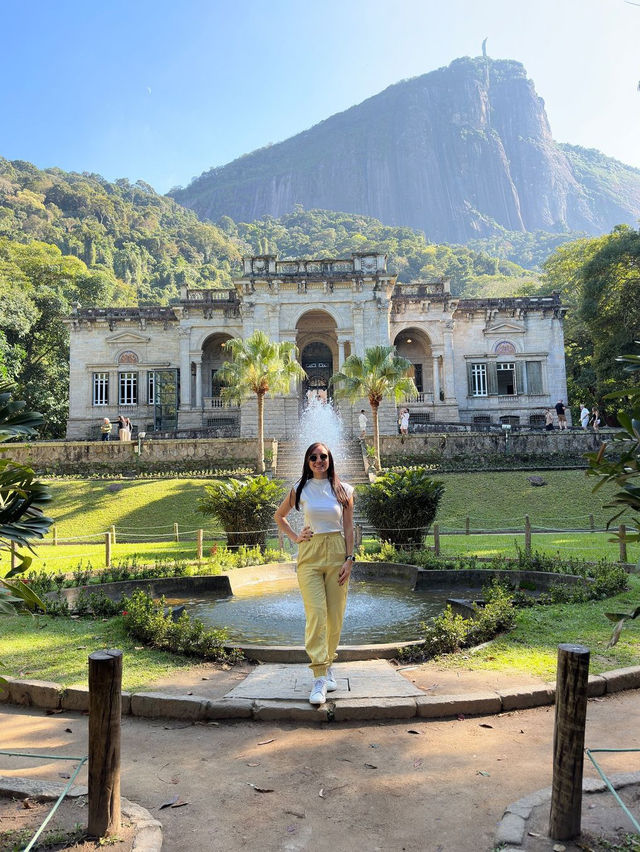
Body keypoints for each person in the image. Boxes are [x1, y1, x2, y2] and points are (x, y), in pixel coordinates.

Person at [274, 442, 355, 706]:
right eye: (313, 457)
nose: (319, 460)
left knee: (334, 616)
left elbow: (349, 528)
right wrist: (297, 536)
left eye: (323, 456)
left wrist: (349, 559)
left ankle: (328, 664)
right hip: (309, 555)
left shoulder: (343, 491)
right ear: (307, 462)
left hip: (336, 553)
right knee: (316, 613)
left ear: (330, 460)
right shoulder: (300, 488)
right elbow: (280, 516)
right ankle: (319, 675)